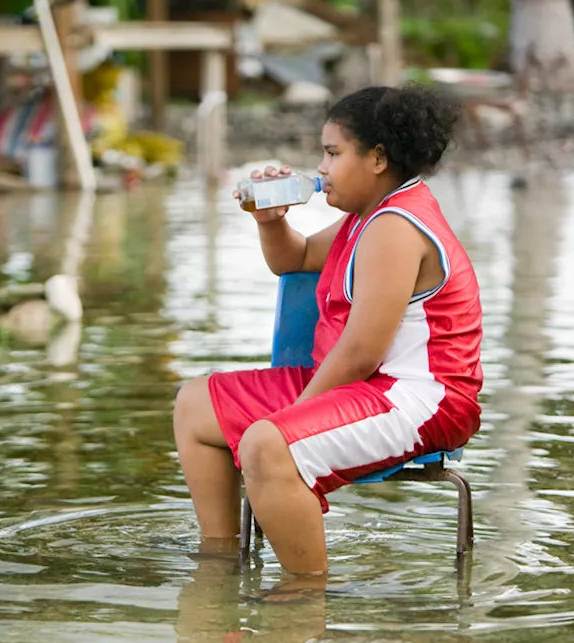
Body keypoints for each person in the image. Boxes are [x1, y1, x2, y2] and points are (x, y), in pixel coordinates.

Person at [173, 84, 484, 578]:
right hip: (362, 387)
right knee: (195, 405)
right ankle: (218, 567)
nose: (320, 168)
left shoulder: (395, 227)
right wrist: (269, 221)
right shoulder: (366, 217)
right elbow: (294, 259)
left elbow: (361, 351)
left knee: (267, 444)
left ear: (378, 158)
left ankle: (303, 603)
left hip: (419, 399)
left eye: (333, 153)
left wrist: (290, 420)